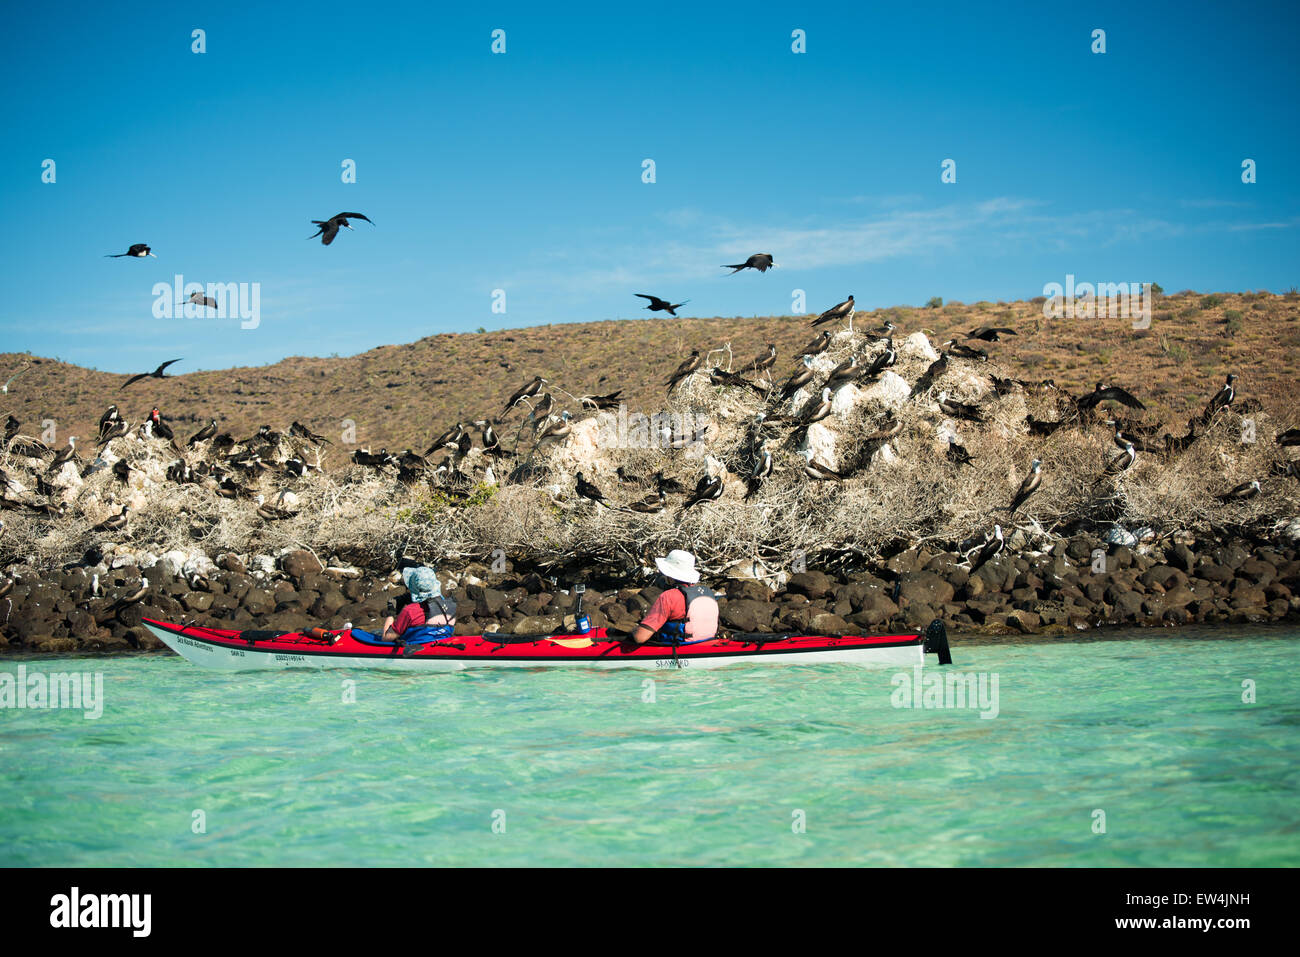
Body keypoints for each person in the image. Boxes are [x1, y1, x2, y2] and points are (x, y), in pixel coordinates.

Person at [341, 566, 456, 647]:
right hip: (438, 641)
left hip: (417, 646)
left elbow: (386, 638)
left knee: (378, 633)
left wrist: (391, 612)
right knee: (377, 631)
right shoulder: (450, 605)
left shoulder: (410, 611)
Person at [630, 549, 719, 645]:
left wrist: (633, 631)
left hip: (681, 648)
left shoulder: (668, 597)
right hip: (709, 643)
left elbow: (640, 638)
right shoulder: (707, 593)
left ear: (670, 575)